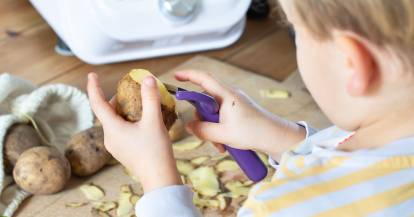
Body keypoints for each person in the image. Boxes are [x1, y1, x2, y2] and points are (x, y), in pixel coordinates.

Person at [87, 0, 414, 216]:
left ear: (351, 63)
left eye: (295, 32)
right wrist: (281, 137)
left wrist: (157, 180)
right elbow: (356, 158)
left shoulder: (286, 206)